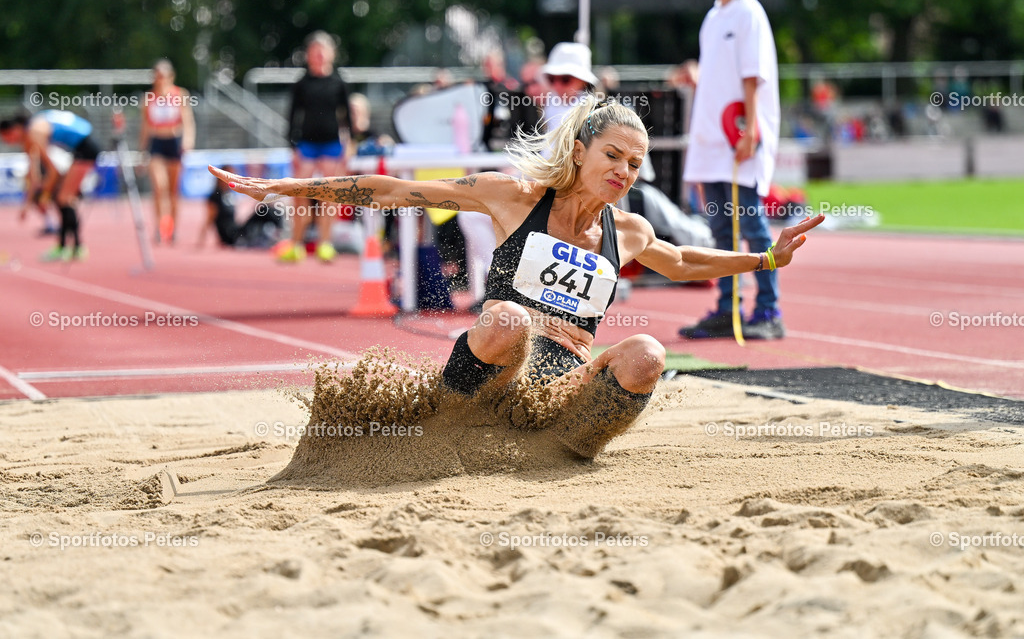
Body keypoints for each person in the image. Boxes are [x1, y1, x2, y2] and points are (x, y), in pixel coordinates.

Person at [209, 94, 822, 459]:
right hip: (494, 364)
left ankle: (563, 453)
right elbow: (400, 189)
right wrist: (294, 187)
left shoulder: (627, 230)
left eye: (635, 164)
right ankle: (439, 423)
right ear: (580, 150)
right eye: (612, 155)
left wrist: (766, 259)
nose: (624, 171)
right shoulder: (514, 197)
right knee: (508, 318)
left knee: (645, 355)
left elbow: (685, 260)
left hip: (562, 387)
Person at [678, 0, 785, 340]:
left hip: (738, 133)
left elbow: (752, 75)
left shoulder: (749, 13)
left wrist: (751, 129)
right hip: (712, 136)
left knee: (752, 225)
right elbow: (722, 75)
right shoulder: (713, 17)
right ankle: (728, 307)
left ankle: (769, 310)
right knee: (721, 228)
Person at [278, 31, 353, 263]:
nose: (319, 56)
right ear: (308, 55)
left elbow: (347, 116)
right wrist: (292, 147)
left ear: (331, 54)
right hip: (306, 145)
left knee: (328, 196)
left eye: (323, 51)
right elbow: (292, 115)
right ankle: (297, 243)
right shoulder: (301, 84)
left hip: (331, 144)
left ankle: (325, 244)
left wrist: (349, 145)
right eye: (314, 51)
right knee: (299, 194)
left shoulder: (338, 83)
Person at [1, 110, 101, 261]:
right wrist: (27, 204)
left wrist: (45, 195)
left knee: (63, 198)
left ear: (15, 129)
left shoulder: (34, 133)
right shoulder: (31, 132)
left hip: (86, 149)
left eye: (6, 138)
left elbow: (53, 171)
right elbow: (33, 175)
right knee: (62, 199)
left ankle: (72, 248)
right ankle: (71, 248)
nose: (7, 142)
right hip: (77, 149)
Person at [139, 59, 195, 244]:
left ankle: (173, 228)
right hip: (157, 143)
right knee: (159, 187)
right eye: (156, 77)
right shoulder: (148, 98)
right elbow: (145, 127)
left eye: (162, 76)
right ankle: (158, 226)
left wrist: (187, 141)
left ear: (170, 77)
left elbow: (187, 121)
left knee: (172, 191)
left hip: (174, 142)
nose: (159, 80)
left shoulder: (180, 94)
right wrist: (142, 153)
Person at [541, 42, 597, 135]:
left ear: (583, 81)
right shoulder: (550, 101)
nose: (557, 85)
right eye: (551, 78)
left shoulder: (593, 111)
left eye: (565, 79)